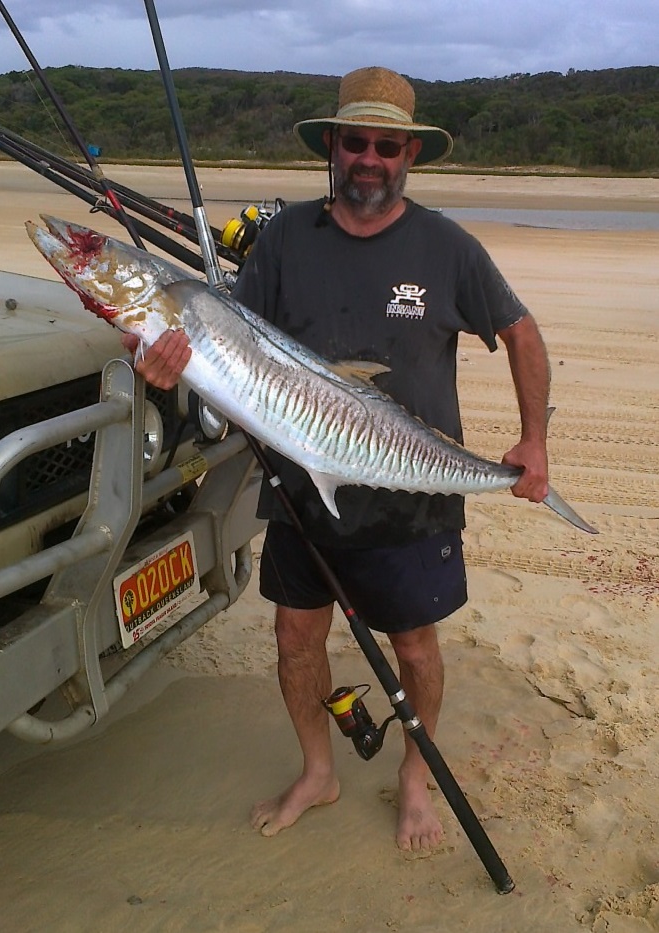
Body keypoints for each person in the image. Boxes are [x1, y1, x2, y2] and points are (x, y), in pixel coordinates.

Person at [130, 66, 550, 852]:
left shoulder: (448, 247)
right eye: (354, 142)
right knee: (295, 639)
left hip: (410, 495)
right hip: (299, 488)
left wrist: (534, 441)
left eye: (386, 146)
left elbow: (522, 332)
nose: (369, 158)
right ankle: (318, 770)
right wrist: (172, 362)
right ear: (332, 147)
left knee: (416, 644)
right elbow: (234, 350)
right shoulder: (285, 239)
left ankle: (415, 780)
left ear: (409, 156)